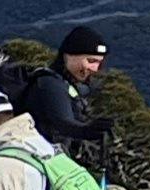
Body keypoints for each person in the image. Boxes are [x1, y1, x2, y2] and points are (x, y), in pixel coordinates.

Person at [17, 26, 111, 162]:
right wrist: (89, 130)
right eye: (90, 61)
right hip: (38, 159)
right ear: (69, 56)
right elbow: (63, 123)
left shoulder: (68, 85)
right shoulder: (49, 85)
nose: (95, 69)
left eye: (99, 63)